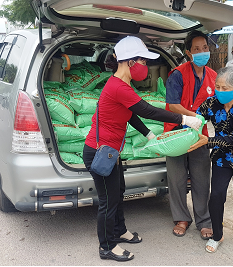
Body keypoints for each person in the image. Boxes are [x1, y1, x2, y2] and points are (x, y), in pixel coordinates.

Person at [82, 36, 203, 262]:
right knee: (108, 201)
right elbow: (148, 110)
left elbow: (131, 114)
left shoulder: (122, 84)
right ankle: (107, 246)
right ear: (130, 62)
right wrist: (184, 119)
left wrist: (148, 134)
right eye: (143, 61)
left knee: (117, 194)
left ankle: (120, 231)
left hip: (110, 151)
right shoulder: (118, 86)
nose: (145, 67)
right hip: (100, 152)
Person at [189, 66, 233, 253]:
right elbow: (196, 119)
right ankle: (217, 235)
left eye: (224, 88)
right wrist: (190, 129)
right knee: (216, 195)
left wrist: (208, 141)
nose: (219, 91)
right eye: (217, 87)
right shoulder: (211, 103)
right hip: (223, 156)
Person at [164, 30, 215, 240]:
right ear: (188, 52)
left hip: (199, 135)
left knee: (202, 178)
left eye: (205, 48)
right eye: (197, 49)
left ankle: (204, 220)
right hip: (175, 132)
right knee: (176, 179)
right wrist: (192, 116)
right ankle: (181, 218)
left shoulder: (213, 76)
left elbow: (219, 106)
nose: (202, 52)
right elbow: (173, 105)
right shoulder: (177, 74)